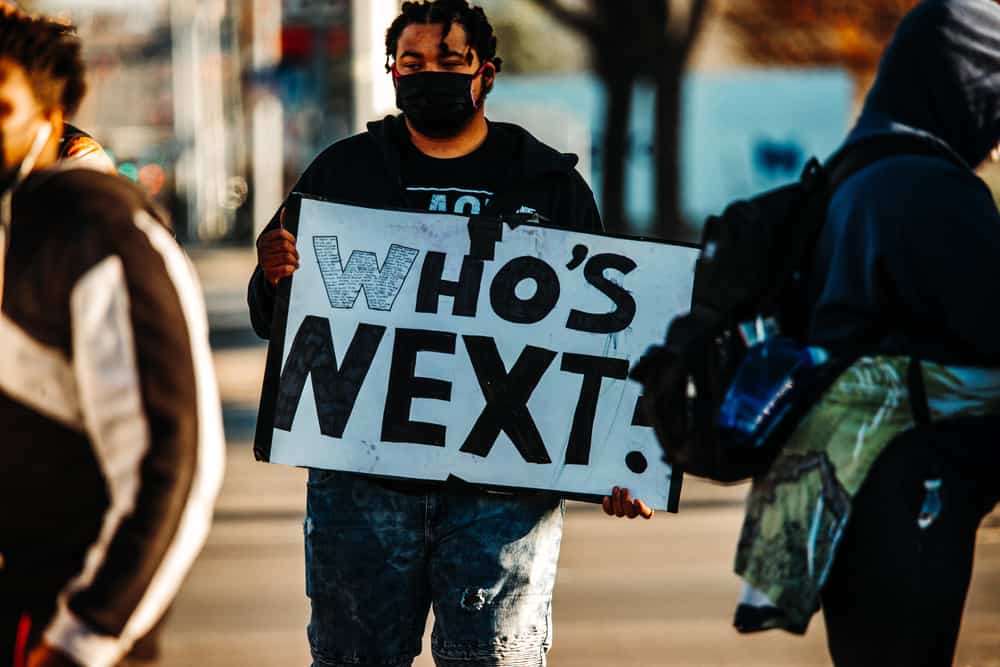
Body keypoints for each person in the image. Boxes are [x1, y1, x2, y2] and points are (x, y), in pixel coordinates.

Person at [249, 1, 648, 664]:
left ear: (486, 74)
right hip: (361, 487)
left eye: (448, 62)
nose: (427, 74)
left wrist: (620, 455)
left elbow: (603, 341)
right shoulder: (342, 173)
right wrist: (273, 275)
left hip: (503, 496)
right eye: (411, 63)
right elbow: (278, 320)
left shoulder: (548, 184)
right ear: (391, 72)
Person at [732, 1, 1000, 665]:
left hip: (855, 486)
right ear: (961, 85)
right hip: (911, 493)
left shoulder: (857, 172)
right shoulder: (926, 189)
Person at [0, 11, 225, 667]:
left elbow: (172, 456)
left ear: (49, 117)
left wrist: (87, 632)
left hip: (47, 626)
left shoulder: (97, 230)